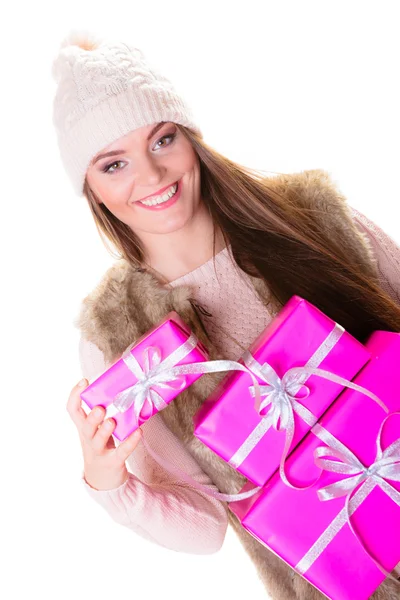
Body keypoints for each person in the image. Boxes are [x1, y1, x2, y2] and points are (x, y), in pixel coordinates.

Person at [52, 30, 400, 600]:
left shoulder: (312, 220)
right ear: (89, 187)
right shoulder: (121, 338)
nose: (152, 175)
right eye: (113, 164)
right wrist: (109, 482)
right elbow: (205, 529)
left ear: (192, 139)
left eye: (162, 140)